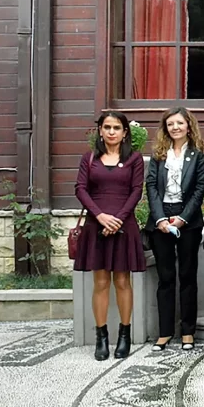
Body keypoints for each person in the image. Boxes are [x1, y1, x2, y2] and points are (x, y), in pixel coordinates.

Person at [74, 111, 147, 361]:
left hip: (124, 225)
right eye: (107, 127)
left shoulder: (134, 159)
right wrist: (101, 216)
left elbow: (137, 191)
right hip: (97, 226)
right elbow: (80, 189)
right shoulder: (90, 158)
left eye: (117, 127)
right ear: (100, 131)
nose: (112, 132)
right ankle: (101, 337)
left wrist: (117, 219)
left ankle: (124, 336)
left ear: (125, 132)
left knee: (123, 282)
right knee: (101, 282)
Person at [145, 108, 204, 352]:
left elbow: (200, 188)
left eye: (179, 123)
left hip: (188, 221)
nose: (175, 127)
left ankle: (188, 332)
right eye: (170, 124)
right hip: (160, 219)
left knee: (188, 277)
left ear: (188, 126)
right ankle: (164, 332)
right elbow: (151, 185)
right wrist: (160, 218)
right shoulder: (159, 154)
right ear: (166, 128)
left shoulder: (199, 154)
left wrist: (183, 218)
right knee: (166, 277)